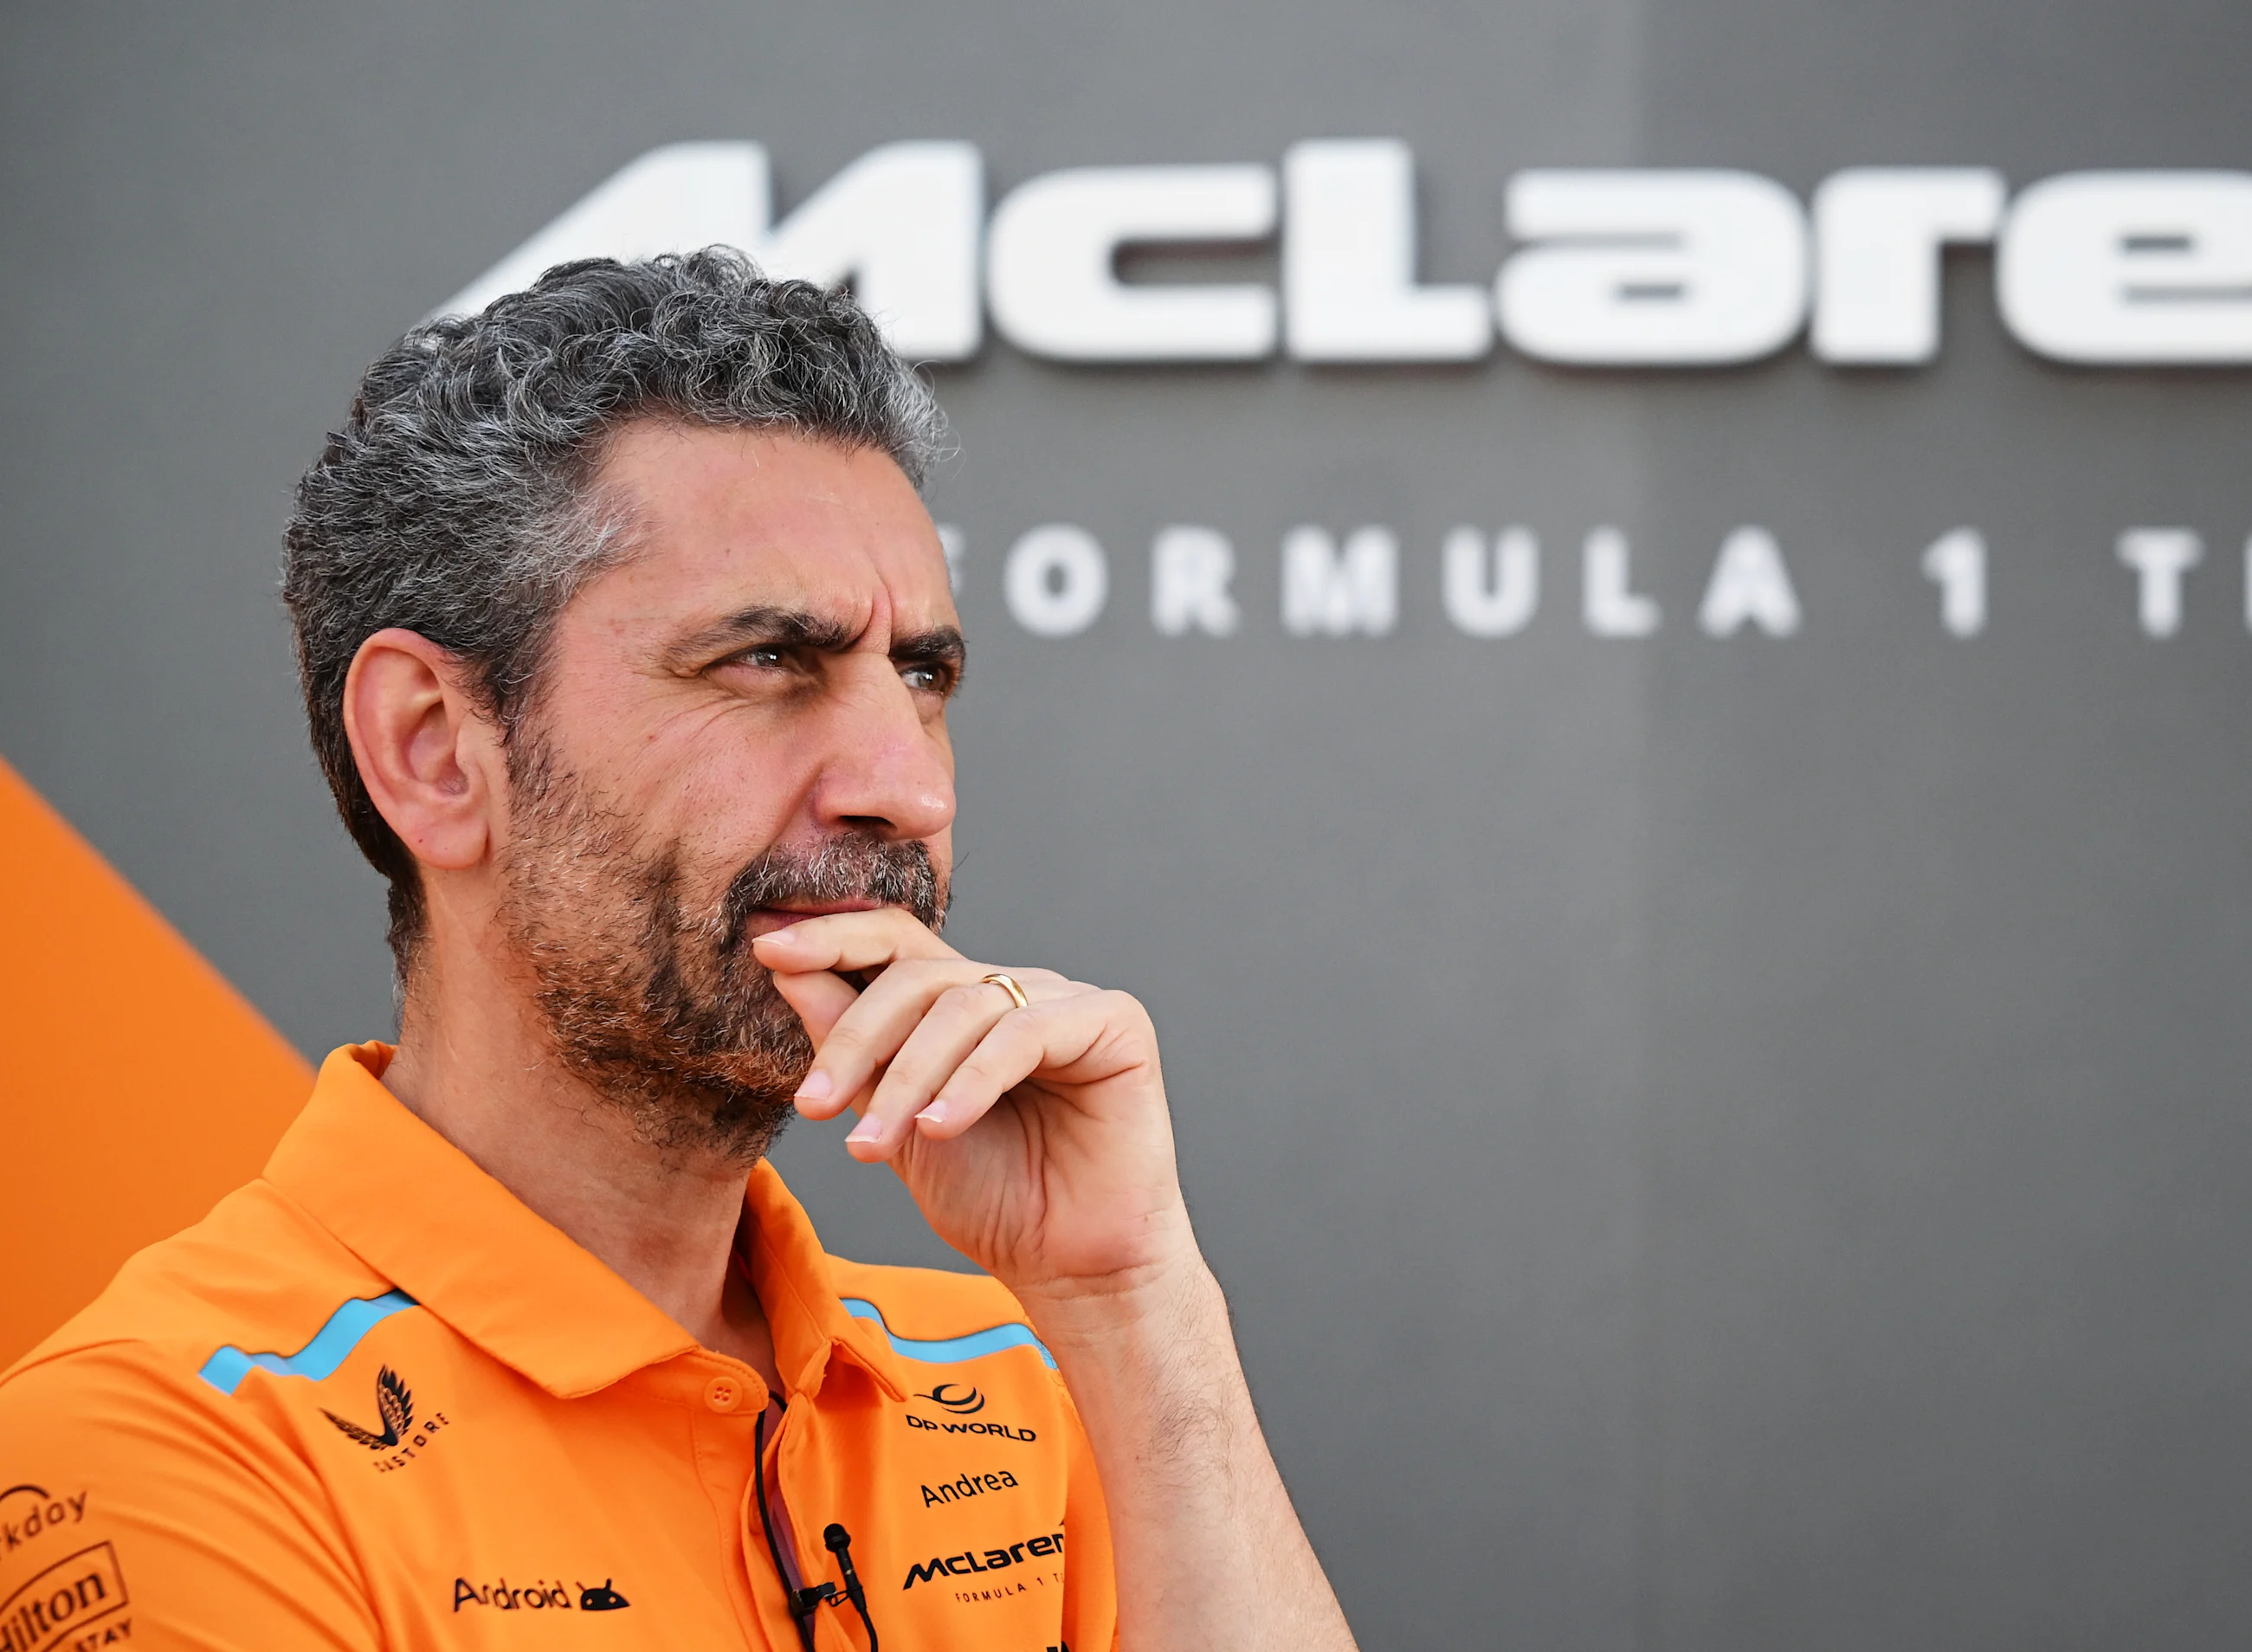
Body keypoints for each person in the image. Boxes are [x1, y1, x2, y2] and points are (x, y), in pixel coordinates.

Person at [0, 251, 1358, 1652]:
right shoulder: (157, 1457)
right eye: (765, 661)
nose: (909, 786)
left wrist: (1130, 1304)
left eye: (922, 675)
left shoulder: (1024, 1382)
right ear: (435, 751)